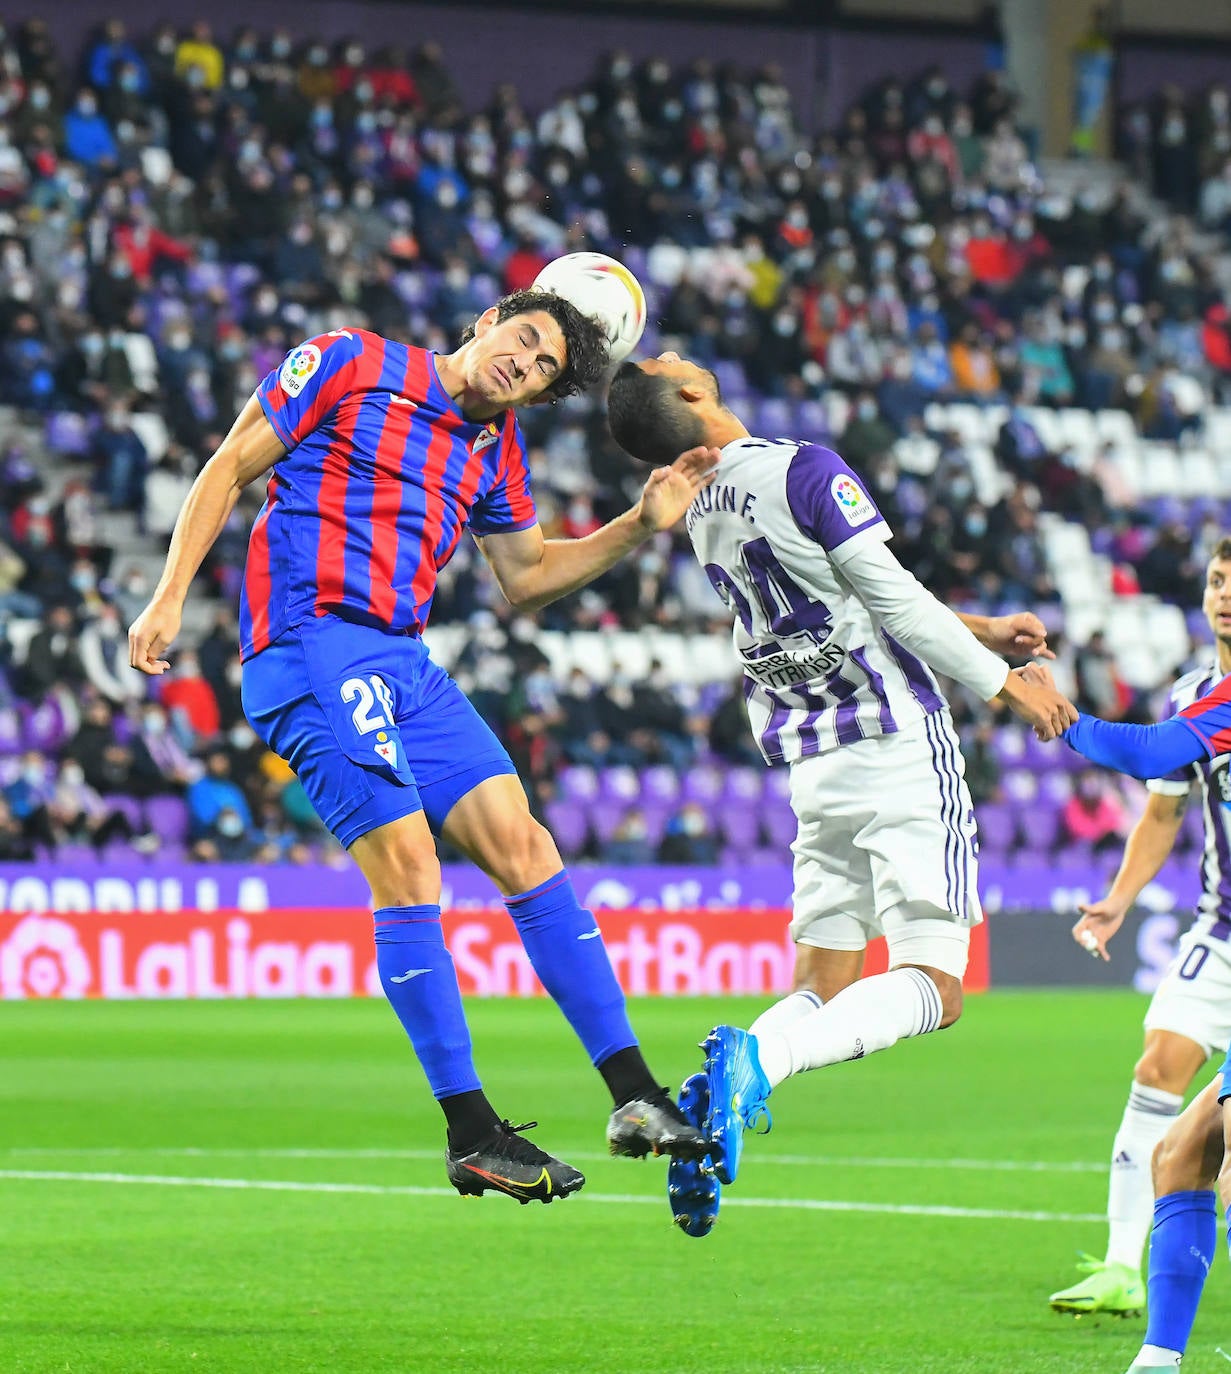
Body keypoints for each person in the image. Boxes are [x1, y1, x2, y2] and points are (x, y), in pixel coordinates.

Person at [128, 290, 713, 1206]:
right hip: (308, 641)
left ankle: (634, 1097)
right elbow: (229, 465)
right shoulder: (351, 360)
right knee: (410, 864)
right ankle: (472, 1131)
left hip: (403, 660)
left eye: (543, 366)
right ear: (484, 321)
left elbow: (525, 576)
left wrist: (636, 526)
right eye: (521, 338)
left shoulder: (494, 449)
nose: (522, 362)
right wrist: (170, 595)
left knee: (526, 847)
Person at [607, 351, 1077, 1237]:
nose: (676, 351)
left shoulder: (696, 509)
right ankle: (760, 1057)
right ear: (693, 395)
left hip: (810, 766)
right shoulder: (801, 467)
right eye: (669, 361)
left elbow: (832, 594)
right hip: (896, 745)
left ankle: (713, 1125)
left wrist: (973, 623)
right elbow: (887, 599)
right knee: (936, 983)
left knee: (823, 979)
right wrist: (1004, 683)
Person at [1019, 544, 1231, 1370]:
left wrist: (1056, 713)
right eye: (1218, 580)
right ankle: (1140, 1316)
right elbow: (1161, 806)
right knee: (1178, 1141)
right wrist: (1118, 895)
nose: (1226, 596)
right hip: (1220, 930)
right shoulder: (1195, 697)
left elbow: (1143, 754)